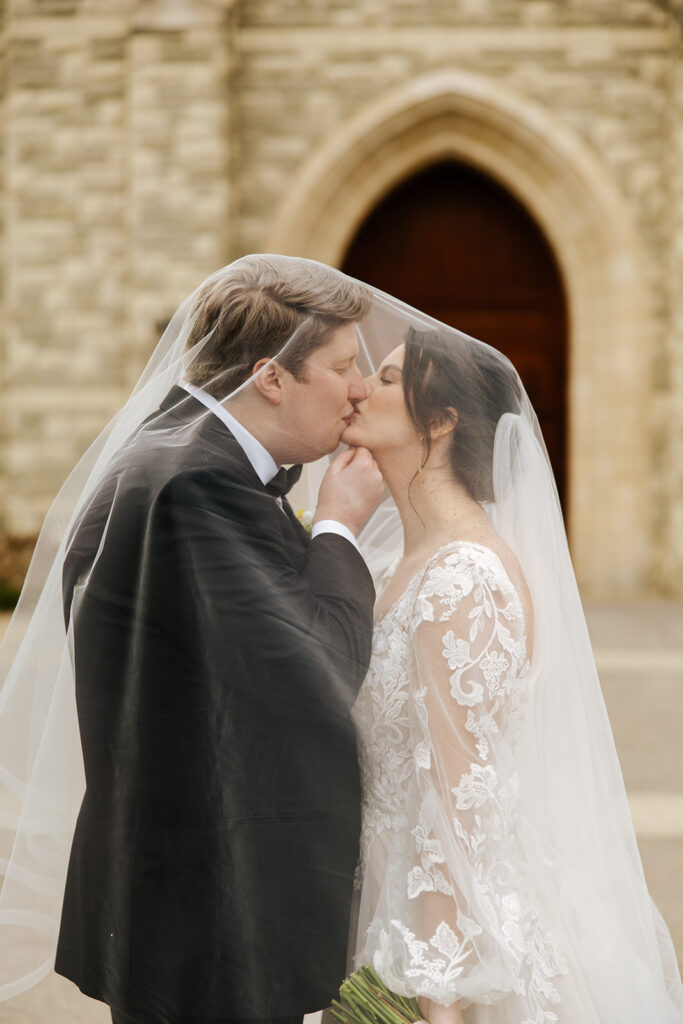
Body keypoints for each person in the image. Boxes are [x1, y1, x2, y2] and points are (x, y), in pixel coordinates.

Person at [0, 256, 384, 1023]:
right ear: (270, 377)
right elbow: (324, 665)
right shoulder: (198, 486)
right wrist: (340, 525)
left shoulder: (179, 454)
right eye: (343, 366)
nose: (361, 388)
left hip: (188, 904)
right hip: (209, 918)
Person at [338, 325, 683, 1023]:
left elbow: (458, 801)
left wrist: (436, 986)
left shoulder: (463, 577)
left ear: (439, 422)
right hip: (380, 902)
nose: (359, 388)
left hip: (448, 937)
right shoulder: (392, 565)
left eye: (386, 379)